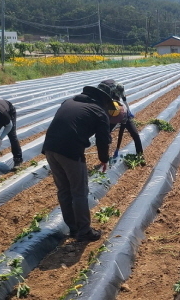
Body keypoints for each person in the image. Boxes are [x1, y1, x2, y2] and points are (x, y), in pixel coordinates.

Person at [42, 85, 114, 242]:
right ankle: (84, 231)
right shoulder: (98, 111)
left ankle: (74, 228)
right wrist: (104, 158)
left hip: (49, 148)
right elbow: (103, 140)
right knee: (79, 191)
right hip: (70, 151)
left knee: (64, 190)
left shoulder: (69, 101)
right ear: (104, 100)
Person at [98, 80, 143, 159]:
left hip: (120, 111)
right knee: (104, 135)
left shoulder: (121, 90)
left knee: (135, 134)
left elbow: (124, 101)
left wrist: (128, 111)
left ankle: (140, 155)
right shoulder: (106, 91)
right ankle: (105, 158)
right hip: (110, 111)